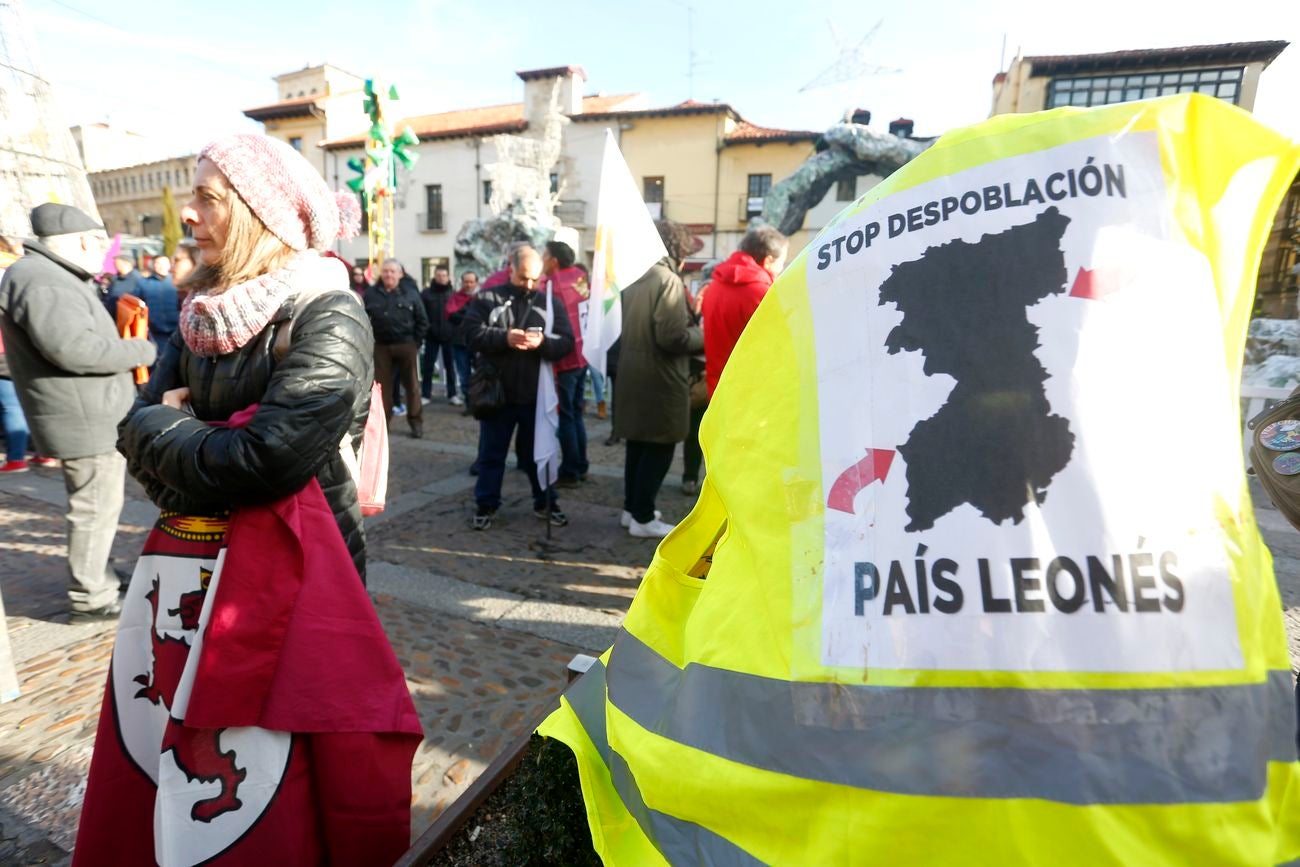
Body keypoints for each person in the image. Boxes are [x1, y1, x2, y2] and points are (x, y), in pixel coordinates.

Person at [79, 133, 419, 866]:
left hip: (296, 580)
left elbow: (268, 459)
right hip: (194, 576)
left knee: (281, 775)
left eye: (208, 198)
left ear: (260, 214)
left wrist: (172, 428)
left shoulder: (329, 315)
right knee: (192, 749)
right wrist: (188, 437)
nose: (189, 216)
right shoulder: (202, 307)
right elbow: (133, 433)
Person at [0, 203, 157, 617]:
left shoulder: (41, 275)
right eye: (99, 246)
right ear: (85, 242)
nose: (103, 255)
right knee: (94, 509)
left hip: (84, 414)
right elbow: (73, 349)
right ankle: (92, 596)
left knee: (98, 508)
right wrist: (141, 349)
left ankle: (97, 577)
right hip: (82, 419)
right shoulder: (41, 279)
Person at [463, 245, 574, 530]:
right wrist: (504, 338)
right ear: (510, 269)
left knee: (539, 453)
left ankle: (546, 501)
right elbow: (469, 333)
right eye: (523, 277)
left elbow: (566, 343)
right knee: (491, 453)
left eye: (534, 279)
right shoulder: (488, 298)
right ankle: (486, 504)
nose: (529, 285)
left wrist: (543, 344)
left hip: (537, 395)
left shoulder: (550, 303)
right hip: (497, 394)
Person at [613, 221, 703, 538]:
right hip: (661, 380)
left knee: (637, 446)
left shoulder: (635, 278)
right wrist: (701, 333)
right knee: (660, 446)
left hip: (633, 376)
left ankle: (632, 509)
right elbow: (672, 338)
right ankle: (643, 516)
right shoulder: (667, 280)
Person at [702, 224, 788, 396]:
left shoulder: (714, 286)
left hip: (718, 391)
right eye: (782, 262)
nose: (782, 269)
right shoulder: (764, 294)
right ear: (769, 260)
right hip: (754, 395)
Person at [543, 240, 590, 486]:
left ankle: (570, 469)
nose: (541, 260)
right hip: (584, 354)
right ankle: (581, 464)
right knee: (576, 413)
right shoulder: (581, 277)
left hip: (566, 358)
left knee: (566, 417)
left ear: (554, 261)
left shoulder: (552, 284)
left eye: (545, 255)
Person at [365, 257, 428, 437]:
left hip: (406, 344)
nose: (388, 274)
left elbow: (423, 321)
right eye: (385, 271)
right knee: (381, 388)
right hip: (381, 347)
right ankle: (383, 423)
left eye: (393, 271)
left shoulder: (411, 294)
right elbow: (363, 319)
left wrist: (415, 343)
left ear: (400, 274)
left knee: (412, 386)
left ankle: (416, 422)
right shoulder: (371, 294)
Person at [421, 264, 457, 403]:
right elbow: (421, 314)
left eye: (444, 275)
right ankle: (425, 395)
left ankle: (452, 394)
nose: (441, 278)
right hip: (431, 336)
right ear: (434, 276)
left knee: (450, 367)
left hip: (450, 335)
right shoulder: (426, 293)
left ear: (448, 277)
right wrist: (427, 329)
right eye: (438, 275)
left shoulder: (454, 294)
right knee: (428, 367)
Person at [132, 253, 179, 356]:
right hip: (155, 332)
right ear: (153, 265)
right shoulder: (143, 283)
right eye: (158, 263)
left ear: (169, 264)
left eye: (164, 263)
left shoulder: (178, 282)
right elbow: (136, 305)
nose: (161, 266)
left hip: (178, 330)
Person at [446, 268, 478, 409]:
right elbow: (451, 315)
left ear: (476, 283)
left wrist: (464, 316)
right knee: (464, 374)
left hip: (478, 341)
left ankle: (479, 400)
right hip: (460, 341)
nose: (468, 284)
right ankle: (469, 403)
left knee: (480, 373)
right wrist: (469, 316)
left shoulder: (481, 297)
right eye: (466, 282)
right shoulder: (455, 297)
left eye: (471, 282)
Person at [103, 251, 143, 319]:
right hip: (111, 316)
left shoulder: (137, 279)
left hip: (127, 318)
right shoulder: (116, 278)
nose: (114, 263)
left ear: (126, 263)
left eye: (117, 262)